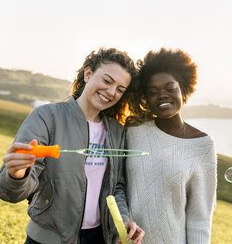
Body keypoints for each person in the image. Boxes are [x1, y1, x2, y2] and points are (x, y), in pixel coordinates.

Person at [0, 48, 144, 244]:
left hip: (98, 239)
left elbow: (116, 187)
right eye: (107, 81)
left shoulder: (117, 132)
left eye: (120, 89)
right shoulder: (47, 117)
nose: (111, 92)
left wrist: (123, 221)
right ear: (88, 74)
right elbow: (11, 191)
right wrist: (17, 174)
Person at [123, 48, 217, 243]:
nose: (163, 95)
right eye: (153, 92)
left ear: (183, 89)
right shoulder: (133, 131)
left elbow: (199, 219)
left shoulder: (203, 145)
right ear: (146, 99)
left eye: (170, 88)